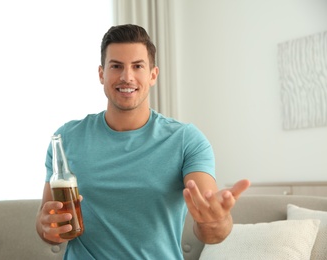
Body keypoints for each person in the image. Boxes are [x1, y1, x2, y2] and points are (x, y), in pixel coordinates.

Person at [36, 24, 250, 259]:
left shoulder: (186, 140)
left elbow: (211, 230)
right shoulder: (66, 139)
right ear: (101, 74)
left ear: (152, 75)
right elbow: (47, 226)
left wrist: (217, 220)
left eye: (137, 66)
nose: (127, 76)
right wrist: (48, 227)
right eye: (116, 66)